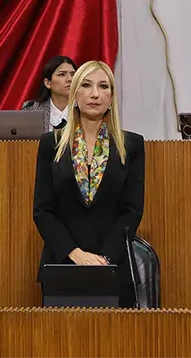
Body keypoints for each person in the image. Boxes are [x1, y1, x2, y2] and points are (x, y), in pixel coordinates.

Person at [32, 60, 145, 308]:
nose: (95, 94)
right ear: (75, 94)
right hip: (62, 265)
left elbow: (132, 210)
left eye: (103, 86)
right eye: (86, 85)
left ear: (112, 97)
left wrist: (103, 258)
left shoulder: (132, 145)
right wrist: (76, 254)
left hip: (114, 267)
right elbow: (42, 210)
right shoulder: (51, 143)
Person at [21, 56, 77, 132]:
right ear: (47, 83)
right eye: (62, 74)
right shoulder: (32, 110)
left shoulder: (85, 109)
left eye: (73, 74)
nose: (70, 79)